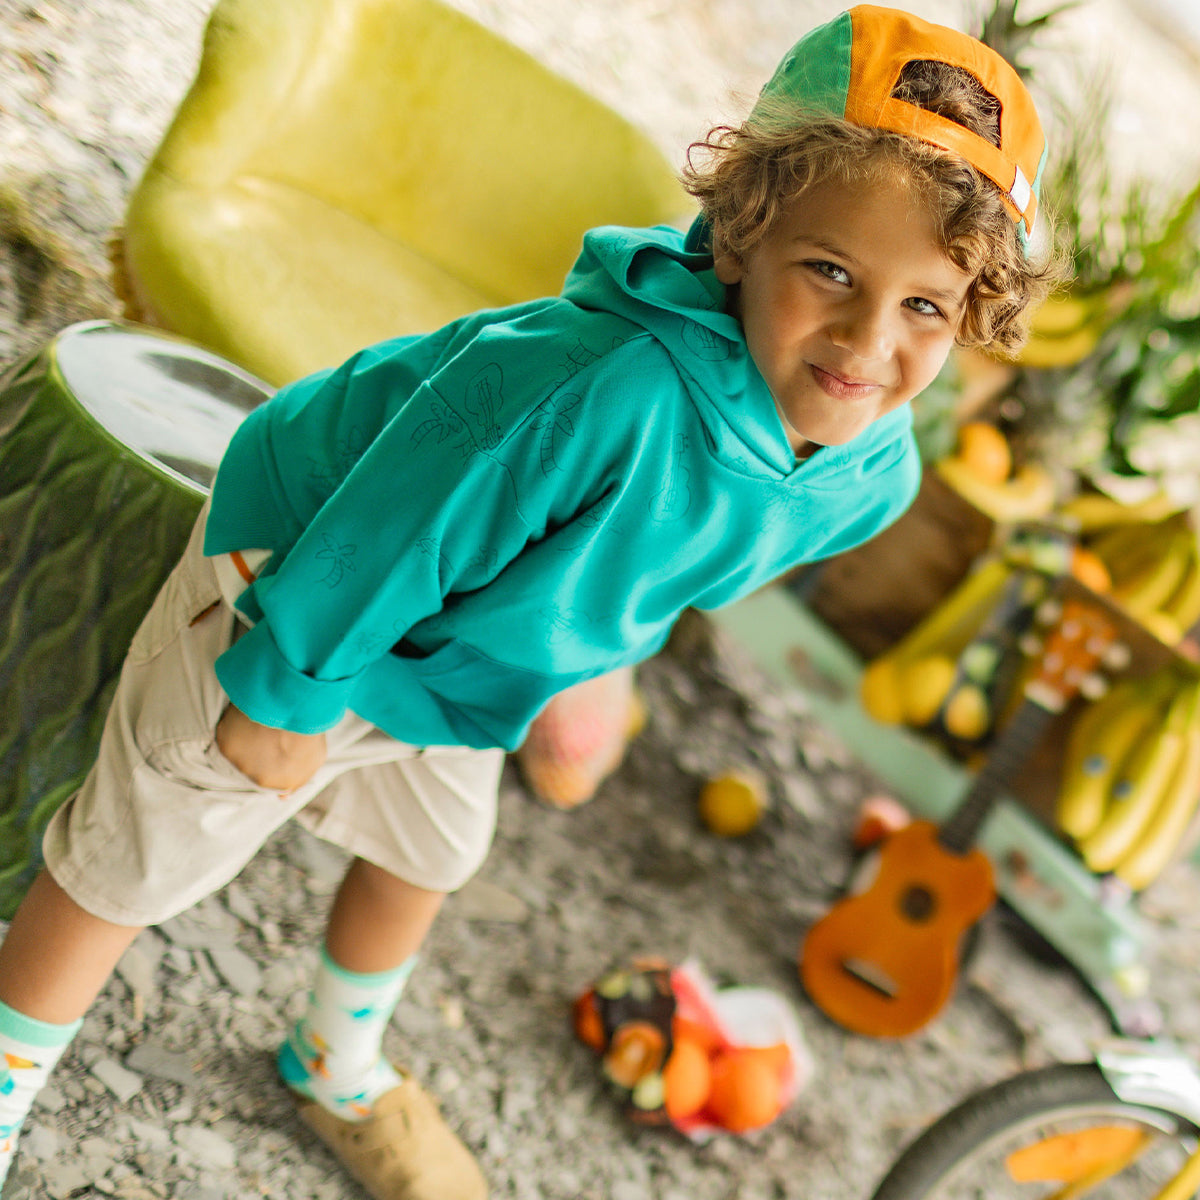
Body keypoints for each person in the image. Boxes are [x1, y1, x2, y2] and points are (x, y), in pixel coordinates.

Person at [0, 6, 1065, 1198]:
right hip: (313, 570)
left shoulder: (872, 476)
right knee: (135, 857)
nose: (869, 340)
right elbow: (405, 516)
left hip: (464, 652)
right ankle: (8, 1080)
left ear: (974, 314)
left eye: (927, 305)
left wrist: (590, 665)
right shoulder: (604, 386)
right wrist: (290, 685)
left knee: (430, 855)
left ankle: (335, 1061)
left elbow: (665, 555)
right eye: (831, 271)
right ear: (743, 233)